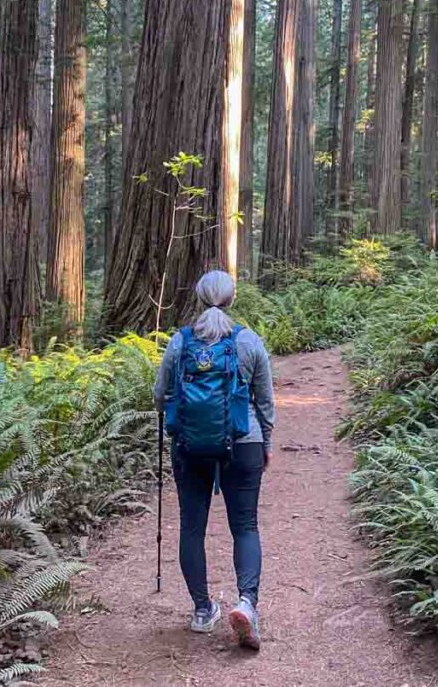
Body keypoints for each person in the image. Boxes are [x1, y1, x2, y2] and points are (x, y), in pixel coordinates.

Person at [154, 270, 276, 650]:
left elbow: (161, 395)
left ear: (199, 296)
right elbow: (265, 402)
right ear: (232, 298)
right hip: (245, 443)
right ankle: (247, 604)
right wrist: (265, 442)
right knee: (245, 526)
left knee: (192, 527)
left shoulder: (180, 342)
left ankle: (203, 610)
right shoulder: (248, 341)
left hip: (190, 446)